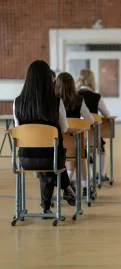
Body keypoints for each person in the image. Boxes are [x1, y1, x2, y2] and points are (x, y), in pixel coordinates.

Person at [13, 60, 76, 217]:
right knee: (51, 161)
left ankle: (46, 207)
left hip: (25, 159)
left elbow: (18, 129)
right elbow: (64, 128)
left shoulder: (17, 102)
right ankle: (66, 187)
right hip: (52, 158)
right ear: (49, 79)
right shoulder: (56, 102)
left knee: (45, 167)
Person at [55, 72, 94, 197]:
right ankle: (85, 187)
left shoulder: (53, 101)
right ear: (72, 85)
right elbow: (90, 120)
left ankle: (67, 187)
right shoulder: (79, 100)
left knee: (71, 159)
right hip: (75, 143)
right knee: (79, 156)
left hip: (57, 144)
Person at [76, 69, 111, 181]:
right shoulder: (96, 97)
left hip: (75, 136)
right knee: (99, 146)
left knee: (86, 147)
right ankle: (100, 174)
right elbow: (107, 114)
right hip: (91, 135)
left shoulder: (72, 96)